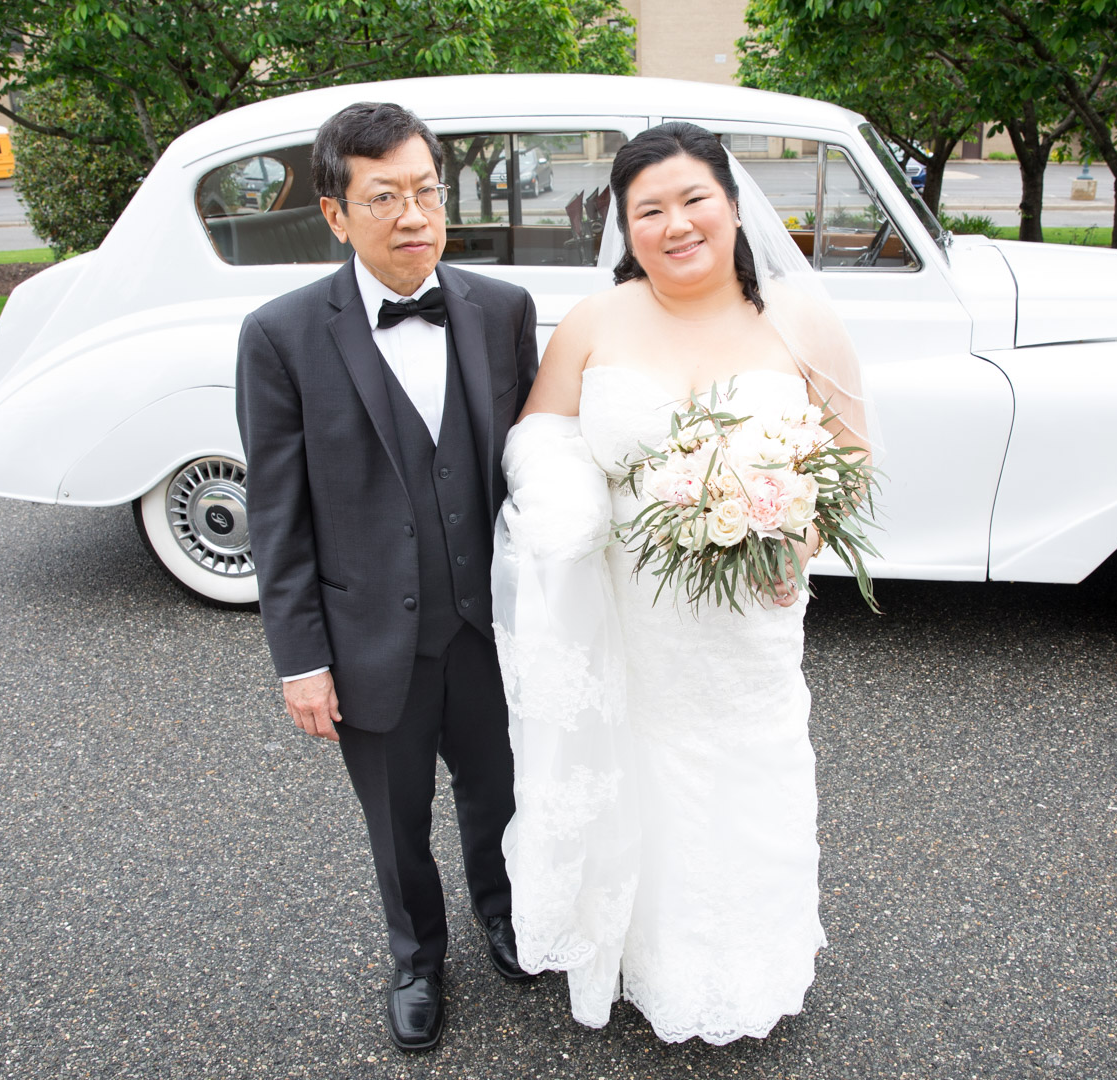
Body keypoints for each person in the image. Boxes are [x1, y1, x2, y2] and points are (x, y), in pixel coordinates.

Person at [495, 122, 871, 1044]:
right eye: (648, 210)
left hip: (751, 617)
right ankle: (646, 955)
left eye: (694, 199)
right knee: (642, 770)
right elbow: (538, 434)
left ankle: (746, 965)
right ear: (625, 229)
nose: (676, 224)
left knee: (748, 774)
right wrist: (568, 508)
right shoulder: (595, 322)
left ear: (734, 206)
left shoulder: (802, 321)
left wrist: (799, 530)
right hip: (632, 609)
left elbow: (852, 455)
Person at [234, 101, 541, 1053]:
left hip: (490, 625)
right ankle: (417, 958)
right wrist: (300, 661)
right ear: (335, 214)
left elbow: (532, 470)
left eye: (427, 192)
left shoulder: (502, 310)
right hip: (370, 636)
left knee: (502, 791)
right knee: (396, 819)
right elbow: (277, 514)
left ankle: (507, 914)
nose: (414, 216)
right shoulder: (280, 334)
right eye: (384, 198)